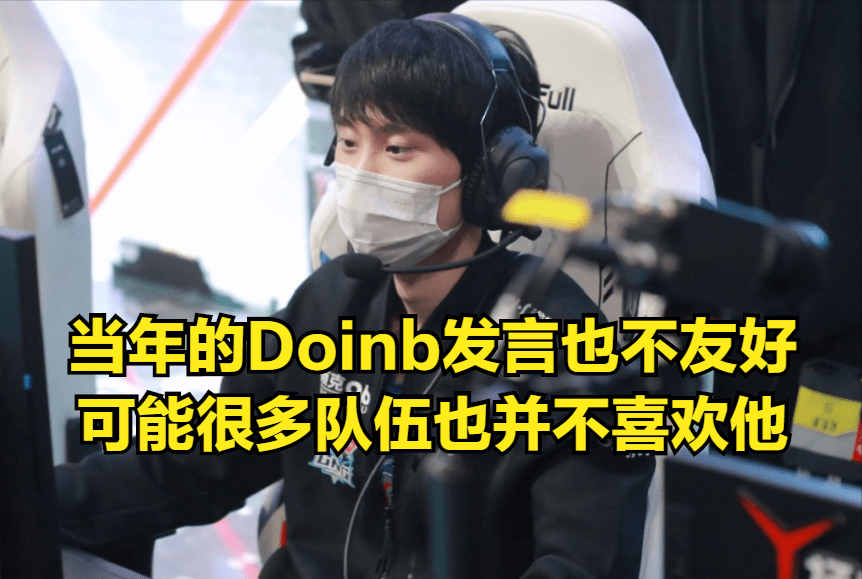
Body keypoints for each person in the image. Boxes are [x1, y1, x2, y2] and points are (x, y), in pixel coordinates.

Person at [56, 15, 654, 579]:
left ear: (489, 178)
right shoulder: (330, 303)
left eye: (397, 149)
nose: (362, 173)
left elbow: (578, 565)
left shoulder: (570, 356)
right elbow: (192, 465)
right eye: (347, 142)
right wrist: (31, 500)